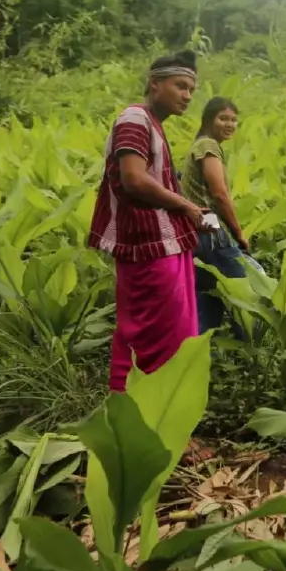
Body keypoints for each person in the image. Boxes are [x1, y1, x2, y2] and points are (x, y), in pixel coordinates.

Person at [87, 49, 210, 393]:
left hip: (165, 242)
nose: (187, 95)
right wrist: (186, 206)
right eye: (180, 86)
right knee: (151, 337)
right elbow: (134, 180)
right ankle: (138, 418)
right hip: (148, 246)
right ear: (154, 84)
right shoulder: (134, 118)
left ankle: (157, 421)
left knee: (169, 334)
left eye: (191, 90)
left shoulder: (150, 123)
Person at [182, 97, 249, 337]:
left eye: (233, 120)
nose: (230, 124)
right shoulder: (208, 146)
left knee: (208, 296)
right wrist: (239, 233)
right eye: (223, 118)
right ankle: (251, 350)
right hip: (211, 232)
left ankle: (198, 353)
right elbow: (219, 194)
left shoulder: (199, 144)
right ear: (209, 120)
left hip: (195, 233)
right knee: (245, 291)